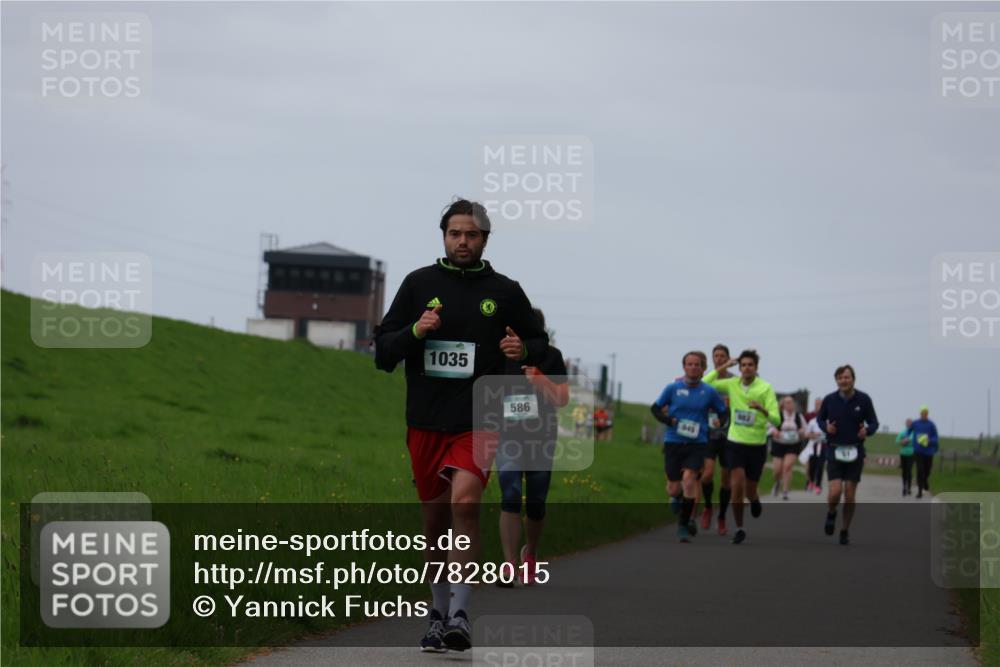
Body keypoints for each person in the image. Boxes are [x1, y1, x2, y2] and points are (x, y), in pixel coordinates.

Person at [374, 198, 549, 652]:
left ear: (485, 239)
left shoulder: (505, 290)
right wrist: (416, 331)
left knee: (466, 506)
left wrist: (523, 351)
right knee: (434, 521)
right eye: (455, 233)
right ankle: (436, 612)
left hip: (479, 418)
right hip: (426, 419)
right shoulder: (418, 285)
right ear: (444, 237)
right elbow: (383, 353)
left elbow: (540, 344)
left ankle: (460, 614)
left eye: (471, 234)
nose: (463, 241)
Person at [496, 309, 569, 587]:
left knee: (536, 503)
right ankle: (508, 565)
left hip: (541, 437)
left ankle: (531, 554)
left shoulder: (551, 356)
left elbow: (562, 399)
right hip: (508, 435)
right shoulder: (500, 355)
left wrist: (541, 379)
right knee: (511, 492)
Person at [703, 349, 780, 545]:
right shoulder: (732, 384)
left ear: (756, 368)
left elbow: (777, 419)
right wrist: (723, 366)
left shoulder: (765, 388)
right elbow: (705, 383)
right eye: (743, 365)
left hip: (756, 445)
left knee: (749, 490)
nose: (746, 368)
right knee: (736, 486)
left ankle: (754, 499)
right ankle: (739, 528)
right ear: (739, 368)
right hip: (735, 442)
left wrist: (762, 410)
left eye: (750, 365)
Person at [651, 351, 728, 542]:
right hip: (673, 442)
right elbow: (655, 408)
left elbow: (724, 411)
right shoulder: (672, 388)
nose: (693, 367)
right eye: (689, 364)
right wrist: (668, 420)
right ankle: (675, 498)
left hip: (697, 443)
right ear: (684, 367)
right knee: (673, 488)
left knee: (689, 481)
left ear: (703, 369)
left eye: (697, 365)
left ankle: (683, 525)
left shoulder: (709, 391)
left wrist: (721, 422)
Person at [816, 364, 879, 546]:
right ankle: (832, 512)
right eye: (840, 378)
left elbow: (874, 423)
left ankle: (844, 530)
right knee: (835, 492)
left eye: (847, 377)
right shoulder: (829, 399)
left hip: (855, 450)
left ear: (853, 379)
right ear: (836, 380)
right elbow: (820, 419)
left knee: (850, 495)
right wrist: (825, 427)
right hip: (834, 449)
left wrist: (867, 431)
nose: (843, 380)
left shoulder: (864, 399)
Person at [701, 343, 734, 534]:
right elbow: (702, 386)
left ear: (728, 359)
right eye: (716, 356)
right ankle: (707, 507)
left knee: (726, 480)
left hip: (730, 435)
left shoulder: (734, 382)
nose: (719, 359)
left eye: (723, 356)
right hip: (709, 434)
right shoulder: (708, 381)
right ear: (712, 359)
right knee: (706, 475)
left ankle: (721, 516)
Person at [768, 396, 807, 500]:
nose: (789, 404)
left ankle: (785, 491)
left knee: (787, 467)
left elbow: (805, 428)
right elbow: (769, 425)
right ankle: (777, 482)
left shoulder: (799, 416)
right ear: (783, 405)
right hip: (779, 444)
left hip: (793, 444)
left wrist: (801, 431)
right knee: (777, 470)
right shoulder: (778, 415)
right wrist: (774, 431)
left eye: (791, 402)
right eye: (787, 402)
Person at [911, 406, 939, 499]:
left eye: (925, 413)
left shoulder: (931, 424)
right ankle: (919, 491)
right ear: (920, 414)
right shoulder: (915, 423)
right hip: (918, 451)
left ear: (927, 414)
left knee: (927, 470)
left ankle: (925, 480)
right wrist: (905, 438)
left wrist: (929, 440)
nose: (924, 414)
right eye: (922, 413)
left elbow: (936, 438)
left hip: (928, 452)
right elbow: (908, 432)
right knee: (920, 470)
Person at [804, 402, 826, 494]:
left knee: (820, 466)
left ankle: (818, 485)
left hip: (824, 446)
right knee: (812, 466)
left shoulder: (827, 421)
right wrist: (813, 435)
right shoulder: (812, 421)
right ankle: (811, 482)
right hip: (813, 446)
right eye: (817, 406)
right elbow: (806, 434)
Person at [897, 418, 915, 496]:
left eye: (910, 423)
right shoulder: (903, 432)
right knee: (904, 471)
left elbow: (917, 441)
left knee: (909, 470)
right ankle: (904, 487)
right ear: (906, 424)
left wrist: (908, 440)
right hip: (903, 454)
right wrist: (903, 441)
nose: (908, 424)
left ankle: (909, 488)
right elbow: (897, 441)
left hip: (911, 453)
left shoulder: (914, 433)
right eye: (907, 423)